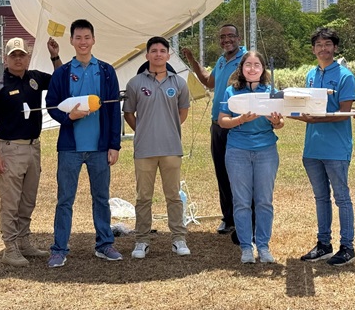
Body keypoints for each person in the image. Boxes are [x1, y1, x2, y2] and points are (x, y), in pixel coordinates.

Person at [45, 19, 122, 267]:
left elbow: (113, 111)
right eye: (78, 38)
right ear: (71, 41)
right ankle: (59, 248)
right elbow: (52, 105)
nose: (83, 42)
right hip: (70, 149)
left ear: (93, 39)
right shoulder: (62, 73)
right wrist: (69, 118)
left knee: (101, 197)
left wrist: (114, 145)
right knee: (65, 199)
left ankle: (104, 244)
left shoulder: (107, 71)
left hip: (99, 149)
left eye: (87, 37)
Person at [0, 36, 62, 267]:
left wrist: (54, 55)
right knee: (10, 202)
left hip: (33, 147)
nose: (18, 59)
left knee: (28, 200)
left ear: (28, 57)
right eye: (14, 55)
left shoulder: (35, 79)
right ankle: (10, 248)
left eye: (22, 55)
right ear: (5, 58)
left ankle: (24, 241)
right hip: (10, 149)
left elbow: (60, 80)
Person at [291, 28, 355, 266]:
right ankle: (324, 244)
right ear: (313, 49)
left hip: (336, 149)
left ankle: (347, 247)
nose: (323, 48)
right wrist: (288, 113)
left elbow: (344, 113)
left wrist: (316, 119)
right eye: (318, 44)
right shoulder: (310, 75)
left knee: (342, 198)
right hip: (312, 148)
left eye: (327, 44)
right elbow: (304, 109)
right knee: (321, 198)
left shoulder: (345, 76)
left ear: (335, 48)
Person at [123, 36, 191, 259]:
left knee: (173, 196)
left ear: (168, 55)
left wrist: (166, 128)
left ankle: (178, 238)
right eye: (154, 51)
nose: (158, 54)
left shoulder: (179, 83)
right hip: (144, 149)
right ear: (147, 55)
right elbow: (129, 114)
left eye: (163, 51)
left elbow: (182, 113)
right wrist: (144, 129)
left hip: (171, 147)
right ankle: (142, 240)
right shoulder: (135, 83)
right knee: (144, 197)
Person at [218, 51, 283, 264]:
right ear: (241, 68)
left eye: (257, 65)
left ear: (263, 69)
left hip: (266, 150)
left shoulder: (272, 92)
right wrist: (240, 119)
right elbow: (223, 121)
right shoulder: (231, 91)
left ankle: (263, 246)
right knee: (241, 202)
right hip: (237, 151)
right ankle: (246, 247)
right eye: (248, 64)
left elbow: (281, 123)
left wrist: (276, 121)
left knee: (264, 201)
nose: (252, 68)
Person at [182, 24, 246, 235]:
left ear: (239, 38)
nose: (226, 40)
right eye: (222, 37)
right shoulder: (222, 60)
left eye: (230, 36)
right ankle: (228, 218)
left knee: (240, 174)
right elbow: (208, 81)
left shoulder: (246, 60)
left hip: (237, 124)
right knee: (222, 172)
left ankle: (244, 219)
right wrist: (191, 59)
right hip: (217, 125)